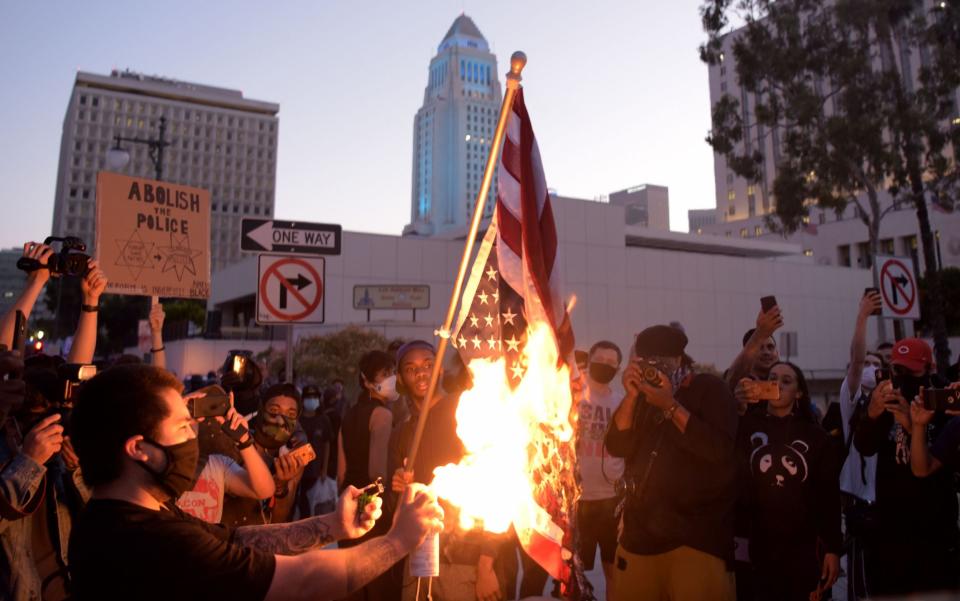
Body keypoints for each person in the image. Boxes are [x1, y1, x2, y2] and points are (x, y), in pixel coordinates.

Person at [67, 364, 444, 601]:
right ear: (141, 450)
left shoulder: (139, 515)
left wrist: (331, 525)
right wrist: (398, 541)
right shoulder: (149, 540)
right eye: (182, 427)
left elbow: (238, 541)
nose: (193, 435)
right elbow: (301, 584)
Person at [605, 325, 738, 601]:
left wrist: (670, 405)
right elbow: (617, 445)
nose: (654, 371)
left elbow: (718, 450)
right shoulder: (640, 396)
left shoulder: (709, 389)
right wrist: (631, 396)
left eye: (661, 363)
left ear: (679, 360)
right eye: (646, 363)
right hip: (638, 538)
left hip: (696, 540)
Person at [390, 341, 516, 601]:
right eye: (411, 368)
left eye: (428, 364)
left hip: (466, 561)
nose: (421, 373)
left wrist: (486, 565)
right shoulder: (403, 432)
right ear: (401, 378)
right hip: (419, 559)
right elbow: (396, 510)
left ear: (439, 371)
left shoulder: (465, 412)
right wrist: (400, 490)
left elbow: (502, 486)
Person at [853, 338, 958, 595]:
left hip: (935, 523)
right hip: (890, 524)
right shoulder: (887, 395)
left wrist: (914, 425)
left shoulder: (943, 398)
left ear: (929, 369)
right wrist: (873, 414)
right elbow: (864, 446)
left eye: (911, 371)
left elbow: (939, 461)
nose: (902, 377)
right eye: (897, 370)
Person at [736, 361, 841, 600]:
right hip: (756, 549)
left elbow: (829, 497)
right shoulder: (745, 427)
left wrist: (833, 549)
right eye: (772, 378)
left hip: (804, 551)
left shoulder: (815, 436)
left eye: (786, 380)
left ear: (799, 392)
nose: (778, 384)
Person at [338, 350, 401, 601]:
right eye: (385, 374)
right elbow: (377, 473)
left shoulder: (349, 414)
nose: (392, 379)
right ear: (366, 381)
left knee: (352, 580)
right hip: (372, 507)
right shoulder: (382, 415)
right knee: (378, 582)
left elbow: (340, 471)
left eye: (393, 373)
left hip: (348, 501)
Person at [835, 292, 883, 597]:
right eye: (866, 362)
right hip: (859, 509)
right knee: (861, 586)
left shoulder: (894, 406)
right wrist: (863, 316)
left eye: (875, 364)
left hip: (888, 510)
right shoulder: (852, 402)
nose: (868, 367)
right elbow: (855, 360)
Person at [221, 384, 309, 528]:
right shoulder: (238, 440)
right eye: (274, 411)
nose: (281, 420)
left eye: (290, 415)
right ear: (262, 410)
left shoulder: (291, 457)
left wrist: (281, 487)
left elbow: (278, 520)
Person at [176, 398, 275, 524]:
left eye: (192, 419)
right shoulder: (155, 469)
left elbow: (264, 490)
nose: (189, 429)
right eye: (181, 424)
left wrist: (244, 440)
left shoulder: (216, 465)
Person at [576, 340, 625, 595]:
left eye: (611, 363)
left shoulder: (621, 402)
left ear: (618, 367)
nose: (605, 366)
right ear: (590, 359)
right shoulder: (574, 396)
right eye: (600, 360)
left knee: (613, 568)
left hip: (611, 499)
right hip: (578, 500)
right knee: (575, 570)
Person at [727, 305, 784, 415]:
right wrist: (760, 333)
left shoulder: (787, 383)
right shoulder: (740, 386)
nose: (766, 352)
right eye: (760, 347)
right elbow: (731, 381)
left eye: (770, 347)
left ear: (777, 353)